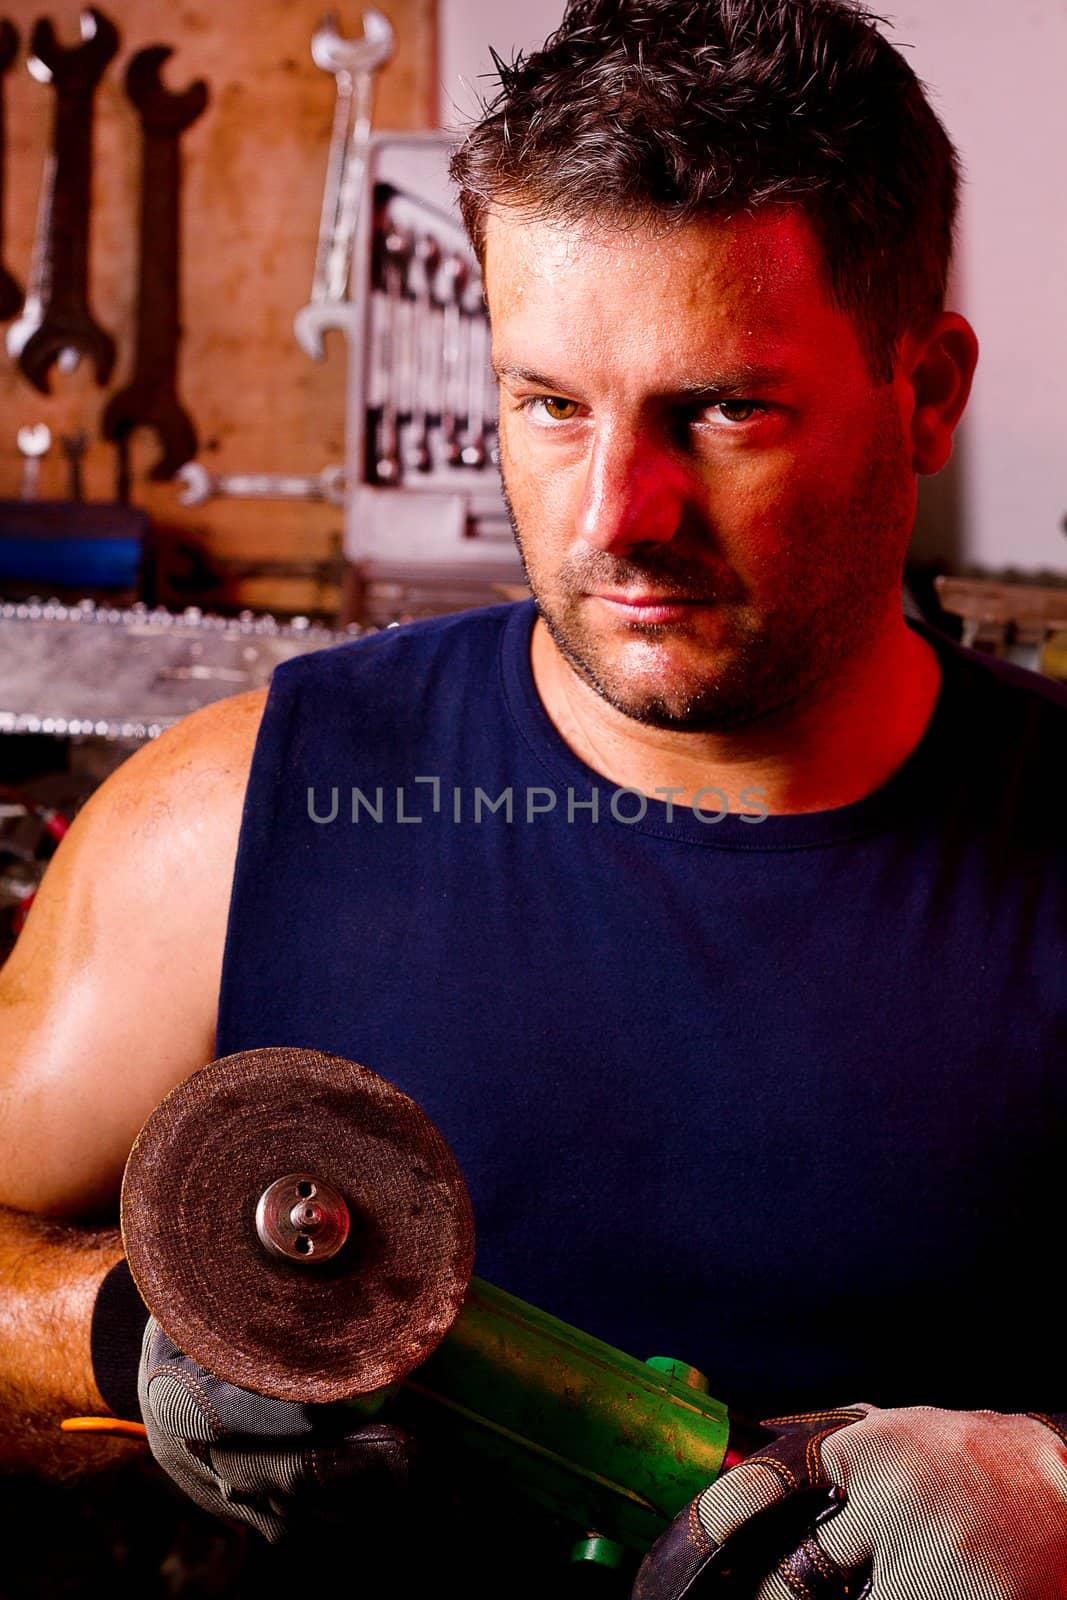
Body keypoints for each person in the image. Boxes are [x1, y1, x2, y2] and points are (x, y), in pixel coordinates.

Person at [2, 0, 1066, 1593]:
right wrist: (120, 1336)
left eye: (724, 410)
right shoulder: (224, 822)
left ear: (925, 393)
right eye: (552, 404)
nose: (617, 516)